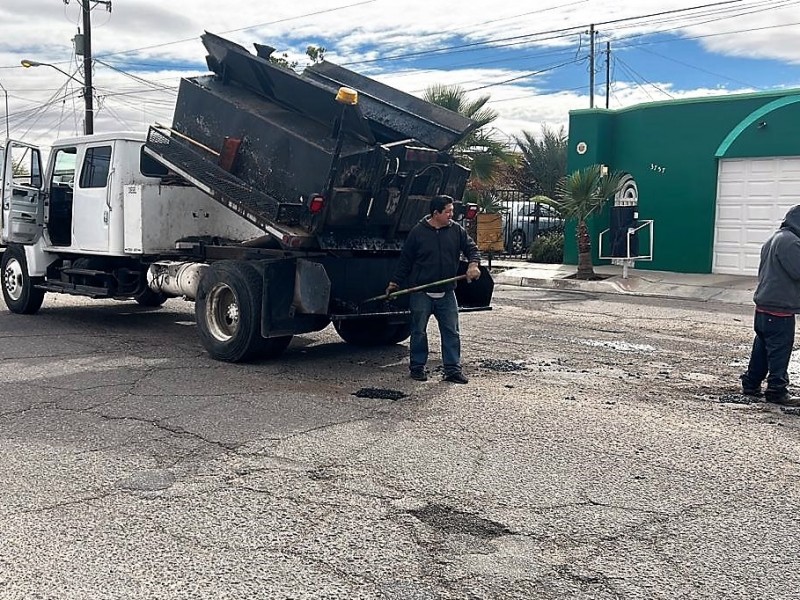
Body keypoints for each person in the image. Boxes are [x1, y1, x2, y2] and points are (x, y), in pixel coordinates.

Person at [386, 195, 481, 384]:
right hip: (422, 293)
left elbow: (472, 248)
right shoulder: (418, 232)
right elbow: (406, 261)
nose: (451, 215)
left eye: (452, 211)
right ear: (435, 213)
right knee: (418, 331)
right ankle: (417, 367)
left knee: (451, 332)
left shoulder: (456, 230)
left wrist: (473, 265)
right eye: (448, 211)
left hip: (447, 292)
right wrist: (394, 283)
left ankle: (453, 369)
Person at [741, 205, 800, 406]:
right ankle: (777, 390)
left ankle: (751, 383)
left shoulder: (775, 238)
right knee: (779, 350)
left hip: (765, 305)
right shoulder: (790, 243)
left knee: (762, 348)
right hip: (779, 307)